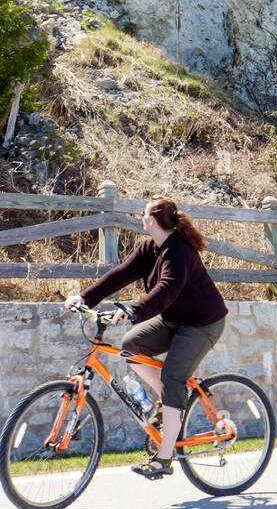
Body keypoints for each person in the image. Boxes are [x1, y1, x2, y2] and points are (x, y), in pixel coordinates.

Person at [65, 195, 228, 480]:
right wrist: (84, 298)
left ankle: (164, 458)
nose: (141, 218)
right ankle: (169, 399)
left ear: (151, 220)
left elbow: (167, 289)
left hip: (202, 324)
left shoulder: (178, 250)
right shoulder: (150, 247)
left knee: (172, 378)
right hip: (174, 321)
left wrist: (133, 310)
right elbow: (120, 275)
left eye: (143, 215)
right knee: (131, 345)